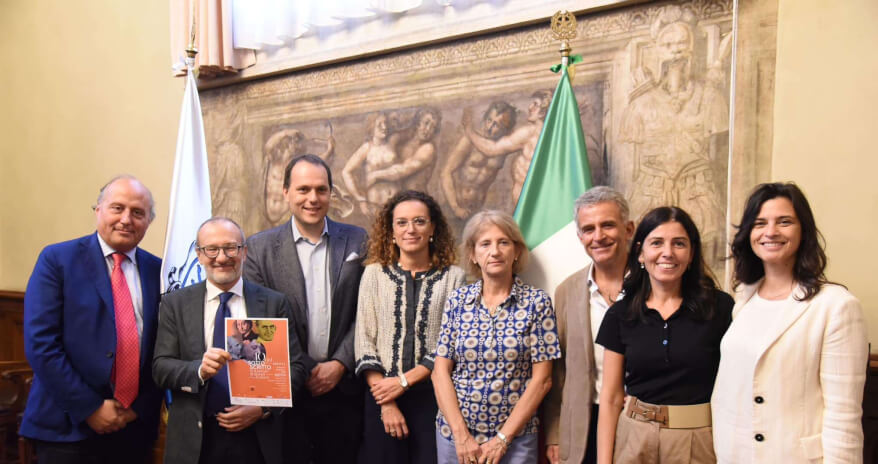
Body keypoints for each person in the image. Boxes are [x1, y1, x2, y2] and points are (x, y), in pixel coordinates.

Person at [711, 183, 868, 463]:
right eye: (760, 223)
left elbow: (844, 417)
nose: (771, 232)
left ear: (803, 231)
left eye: (784, 222)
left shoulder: (836, 306)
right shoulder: (744, 297)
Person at [21, 175, 163, 463]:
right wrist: (90, 408)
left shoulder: (158, 270)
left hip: (133, 429)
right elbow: (41, 344)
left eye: (138, 212)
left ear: (149, 221)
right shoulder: (57, 260)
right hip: (67, 427)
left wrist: (139, 408)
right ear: (98, 210)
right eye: (117, 208)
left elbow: (164, 348)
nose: (126, 219)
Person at [244, 154, 368, 464]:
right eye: (303, 189)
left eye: (321, 190)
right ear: (286, 192)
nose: (313, 198)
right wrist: (306, 367)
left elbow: (369, 311)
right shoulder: (258, 248)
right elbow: (257, 321)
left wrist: (339, 363)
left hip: (345, 391)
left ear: (330, 193)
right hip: (286, 392)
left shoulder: (358, 240)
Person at [153, 217, 307, 464]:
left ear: (244, 252)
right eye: (212, 249)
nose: (222, 257)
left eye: (231, 248)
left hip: (256, 438)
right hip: (196, 439)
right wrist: (199, 370)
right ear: (199, 255)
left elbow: (296, 368)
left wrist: (263, 408)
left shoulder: (273, 303)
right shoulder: (176, 303)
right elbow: (161, 368)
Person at [596, 206, 733, 464]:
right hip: (634, 439)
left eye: (679, 243)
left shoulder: (721, 308)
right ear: (640, 252)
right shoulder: (620, 314)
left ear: (691, 254)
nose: (667, 252)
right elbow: (611, 398)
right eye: (656, 243)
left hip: (698, 439)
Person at [433, 210, 560, 464]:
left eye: (503, 242)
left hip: (516, 439)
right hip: (455, 438)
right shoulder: (457, 301)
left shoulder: (537, 303)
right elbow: (440, 372)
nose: (495, 251)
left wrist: (503, 439)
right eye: (485, 244)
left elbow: (543, 380)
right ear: (473, 254)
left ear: (516, 251)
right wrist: (461, 436)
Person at [354, 190, 466, 463]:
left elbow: (451, 342)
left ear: (433, 228)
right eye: (402, 222)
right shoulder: (373, 274)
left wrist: (404, 382)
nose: (410, 229)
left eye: (419, 221)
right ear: (391, 230)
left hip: (436, 397)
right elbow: (364, 341)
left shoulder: (454, 278)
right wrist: (387, 401)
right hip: (381, 396)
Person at [543, 187, 634, 464]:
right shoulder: (567, 291)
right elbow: (558, 369)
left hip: (637, 420)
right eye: (588, 229)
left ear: (628, 229)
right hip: (582, 425)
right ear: (580, 236)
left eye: (608, 225)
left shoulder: (653, 286)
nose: (598, 236)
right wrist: (554, 432)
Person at [462, 90, 551, 204]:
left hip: (534, 202)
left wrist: (469, 130)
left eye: (535, 105)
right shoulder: (537, 133)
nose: (530, 107)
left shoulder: (532, 133)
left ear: (543, 112)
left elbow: (491, 149)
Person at [440, 101, 517, 219]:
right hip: (455, 207)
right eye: (489, 120)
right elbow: (446, 173)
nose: (489, 127)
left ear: (505, 130)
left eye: (496, 125)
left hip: (477, 210)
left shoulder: (502, 149)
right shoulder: (469, 141)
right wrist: (455, 208)